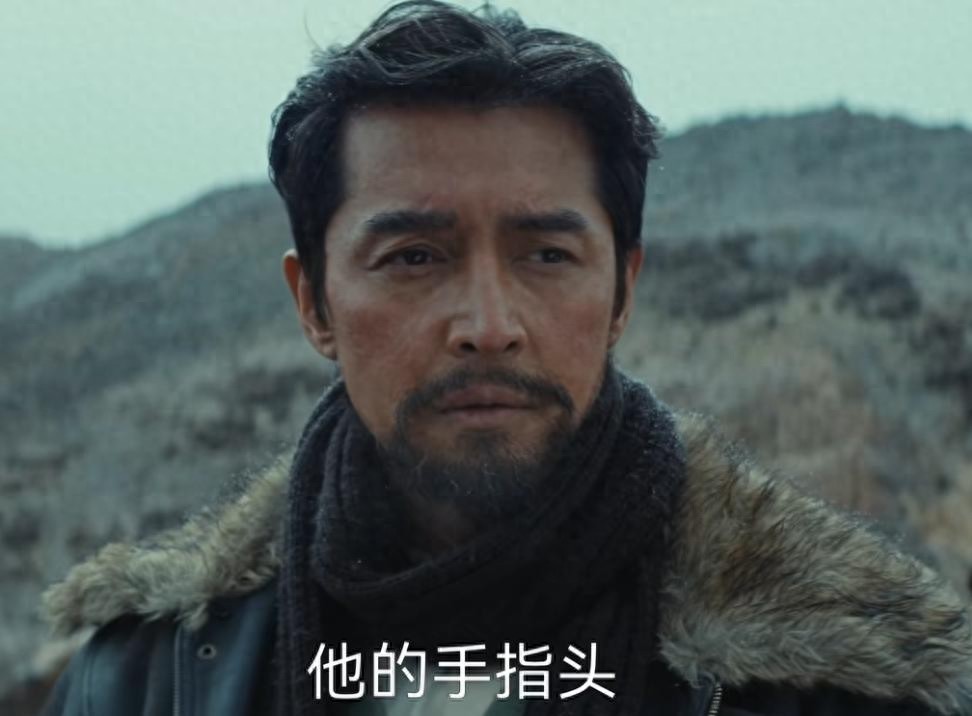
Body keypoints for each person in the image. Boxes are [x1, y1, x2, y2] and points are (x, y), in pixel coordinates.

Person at [39, 1, 972, 714]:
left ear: (622, 292)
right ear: (313, 302)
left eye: (547, 256)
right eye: (414, 257)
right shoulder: (153, 674)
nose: (488, 325)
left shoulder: (842, 680)